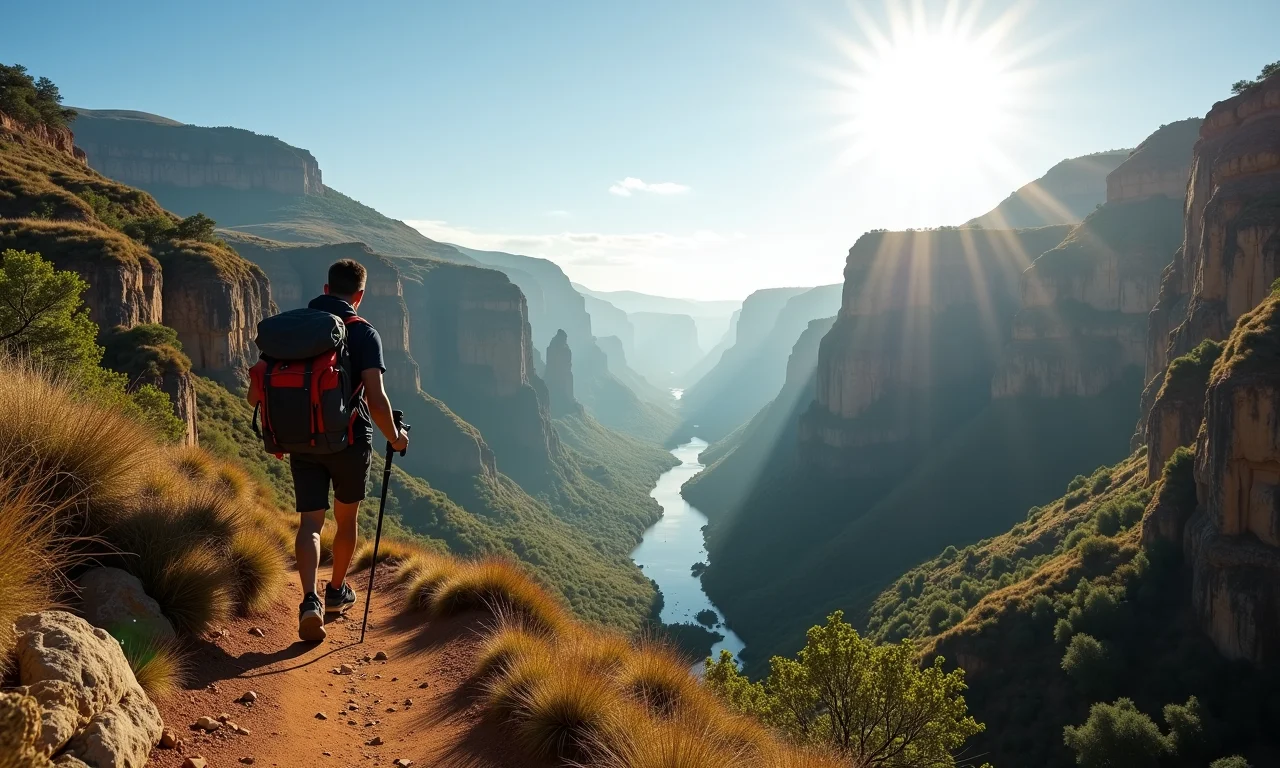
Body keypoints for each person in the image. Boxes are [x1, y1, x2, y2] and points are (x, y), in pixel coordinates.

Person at [248, 259, 410, 642]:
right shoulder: (363, 332)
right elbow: (376, 396)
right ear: (360, 294)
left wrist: (283, 424)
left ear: (324, 288)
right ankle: (336, 592)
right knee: (346, 520)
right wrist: (396, 437)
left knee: (310, 524)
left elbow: (256, 392)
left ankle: (309, 600)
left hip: (301, 441)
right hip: (349, 440)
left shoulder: (293, 329)